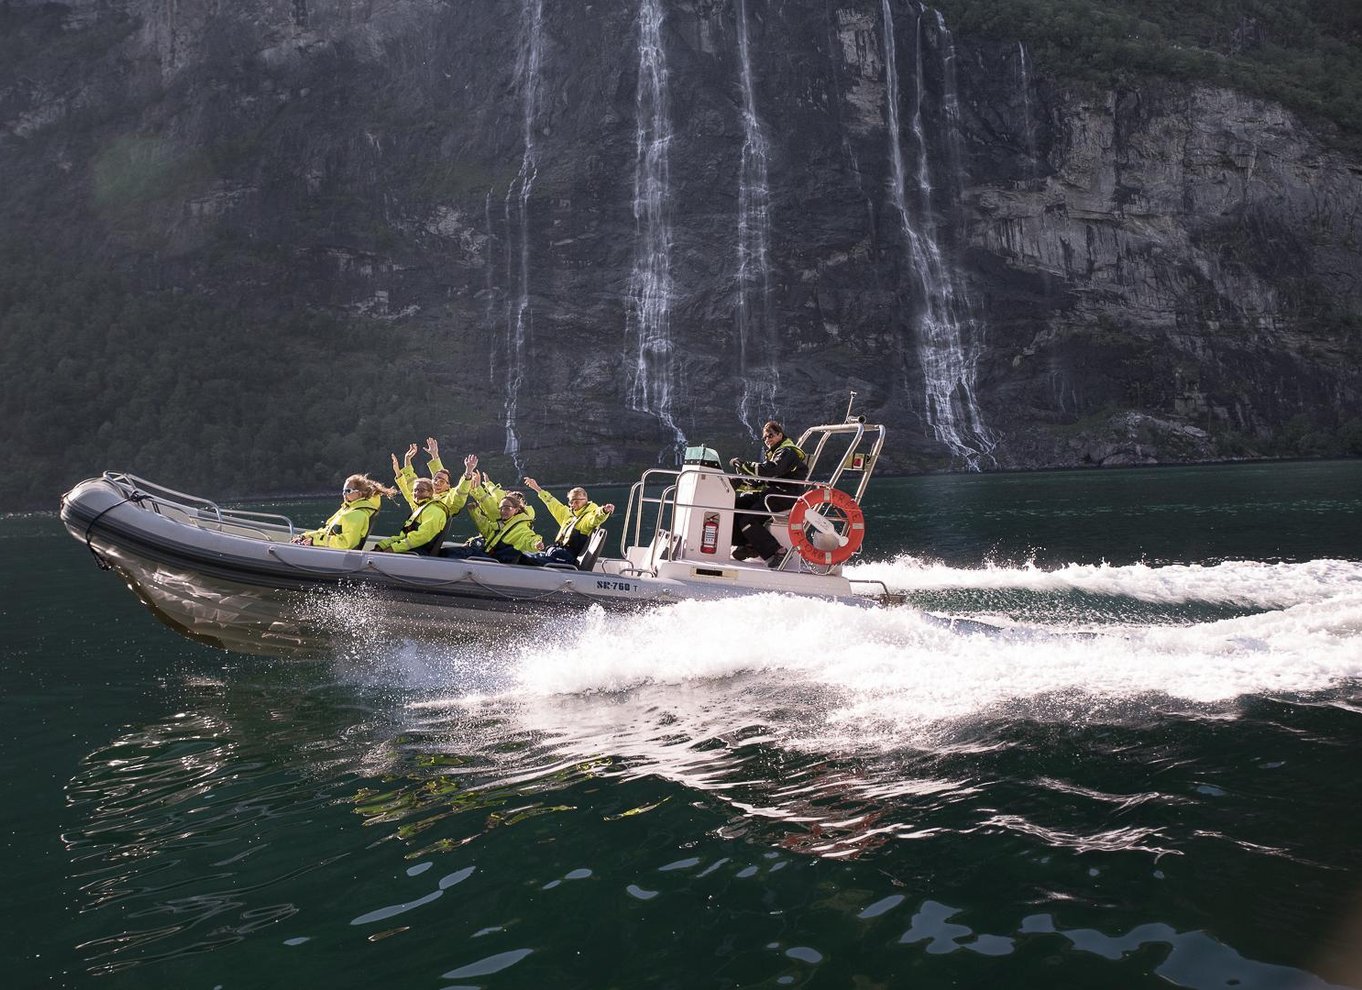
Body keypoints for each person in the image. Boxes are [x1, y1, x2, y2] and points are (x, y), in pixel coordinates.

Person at [729, 420, 808, 567]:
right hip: (773, 493)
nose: (767, 440)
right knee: (734, 505)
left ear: (780, 434)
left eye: (770, 435)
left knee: (748, 519)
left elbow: (771, 470)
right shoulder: (776, 452)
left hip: (784, 496)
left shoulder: (787, 452)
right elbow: (764, 479)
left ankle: (777, 552)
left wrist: (744, 465)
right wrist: (742, 481)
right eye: (765, 438)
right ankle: (750, 544)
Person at [521, 478, 614, 565]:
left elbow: (595, 518)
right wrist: (537, 488)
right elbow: (552, 502)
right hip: (555, 552)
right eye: (571, 501)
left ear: (585, 500)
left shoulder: (587, 517)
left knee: (527, 560)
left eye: (576, 501)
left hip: (566, 558)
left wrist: (604, 511)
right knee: (522, 555)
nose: (573, 504)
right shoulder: (567, 514)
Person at [291, 474, 396, 549]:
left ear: (359, 494)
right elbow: (326, 531)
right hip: (329, 552)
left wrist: (314, 541)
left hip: (336, 557)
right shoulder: (346, 509)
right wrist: (306, 536)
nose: (344, 494)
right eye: (343, 491)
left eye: (348, 491)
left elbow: (346, 544)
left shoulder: (357, 514)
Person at [442, 489, 544, 563]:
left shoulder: (519, 526)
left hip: (494, 560)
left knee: (451, 553)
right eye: (501, 508)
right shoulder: (503, 523)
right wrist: (476, 512)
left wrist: (536, 544)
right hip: (488, 555)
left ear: (516, 510)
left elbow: (528, 538)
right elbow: (487, 531)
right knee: (452, 551)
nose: (503, 511)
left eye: (507, 508)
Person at [372, 475, 450, 555]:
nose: (417, 493)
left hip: (417, 554)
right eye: (415, 490)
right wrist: (382, 545)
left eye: (421, 490)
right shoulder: (421, 509)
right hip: (411, 550)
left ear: (431, 492)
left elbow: (421, 537)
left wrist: (392, 548)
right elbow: (404, 536)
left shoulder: (435, 511)